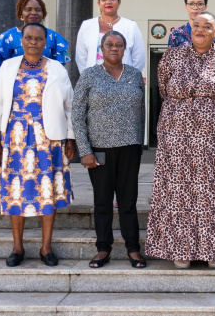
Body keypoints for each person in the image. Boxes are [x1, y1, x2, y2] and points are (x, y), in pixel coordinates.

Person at [146, 11, 215, 269]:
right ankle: (180, 248)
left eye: (207, 26)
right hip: (177, 142)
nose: (200, 29)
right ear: (190, 29)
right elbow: (164, 88)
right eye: (196, 25)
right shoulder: (171, 56)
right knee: (179, 193)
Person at [0, 23, 77, 267]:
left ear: (46, 42)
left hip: (50, 140)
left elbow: (70, 106)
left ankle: (46, 247)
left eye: (39, 38)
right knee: (16, 193)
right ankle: (17, 247)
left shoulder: (58, 69)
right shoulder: (7, 67)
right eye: (29, 37)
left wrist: (71, 138)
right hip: (15, 139)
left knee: (48, 191)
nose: (33, 42)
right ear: (22, 39)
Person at [72, 31, 146, 269]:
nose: (114, 48)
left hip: (129, 148)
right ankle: (103, 248)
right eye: (109, 44)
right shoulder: (89, 75)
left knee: (128, 201)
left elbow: (141, 112)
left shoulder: (135, 75)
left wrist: (139, 143)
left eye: (119, 45)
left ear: (125, 49)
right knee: (102, 201)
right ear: (101, 49)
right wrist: (85, 150)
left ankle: (133, 249)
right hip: (99, 150)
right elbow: (77, 115)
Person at [75, 0, 145, 73]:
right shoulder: (87, 26)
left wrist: (130, 79)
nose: (108, 2)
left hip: (123, 82)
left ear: (119, 2)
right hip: (94, 81)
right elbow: (81, 57)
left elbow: (139, 58)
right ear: (98, 3)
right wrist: (87, 79)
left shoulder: (131, 26)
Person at [0, 0, 69, 69]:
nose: (34, 13)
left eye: (38, 10)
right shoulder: (8, 36)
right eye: (28, 9)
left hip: (47, 80)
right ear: (21, 12)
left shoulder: (54, 36)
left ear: (43, 14)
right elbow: (2, 68)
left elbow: (58, 68)